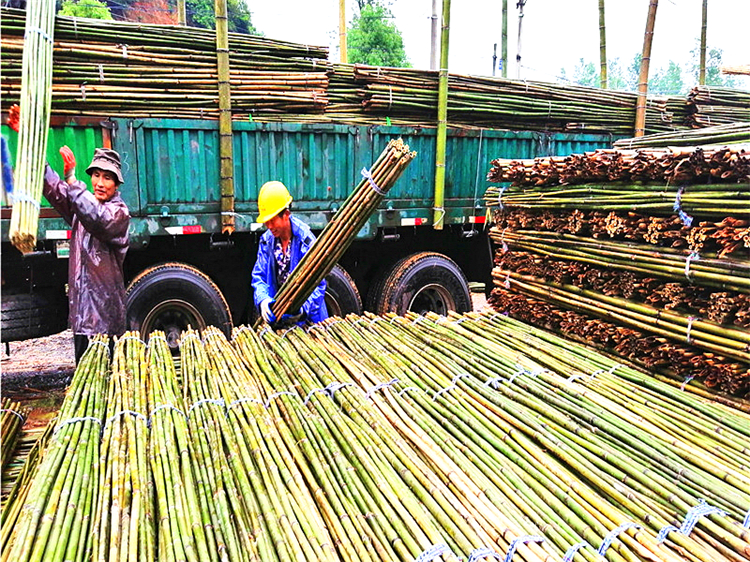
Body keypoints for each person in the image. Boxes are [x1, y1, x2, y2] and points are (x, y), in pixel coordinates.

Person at [7, 105, 130, 364]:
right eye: (96, 175)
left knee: (106, 379)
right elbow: (53, 187)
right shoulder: (80, 210)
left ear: (116, 184)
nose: (99, 182)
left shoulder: (118, 213)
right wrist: (28, 139)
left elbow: (97, 217)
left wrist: (74, 181)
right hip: (83, 317)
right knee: (85, 377)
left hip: (105, 319)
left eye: (107, 178)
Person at [251, 180, 327, 327]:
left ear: (286, 214)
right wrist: (263, 300)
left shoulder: (306, 241)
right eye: (266, 222)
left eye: (272, 221)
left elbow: (318, 285)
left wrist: (303, 309)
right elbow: (259, 277)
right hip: (280, 319)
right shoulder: (267, 241)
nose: (269, 227)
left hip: (309, 323)